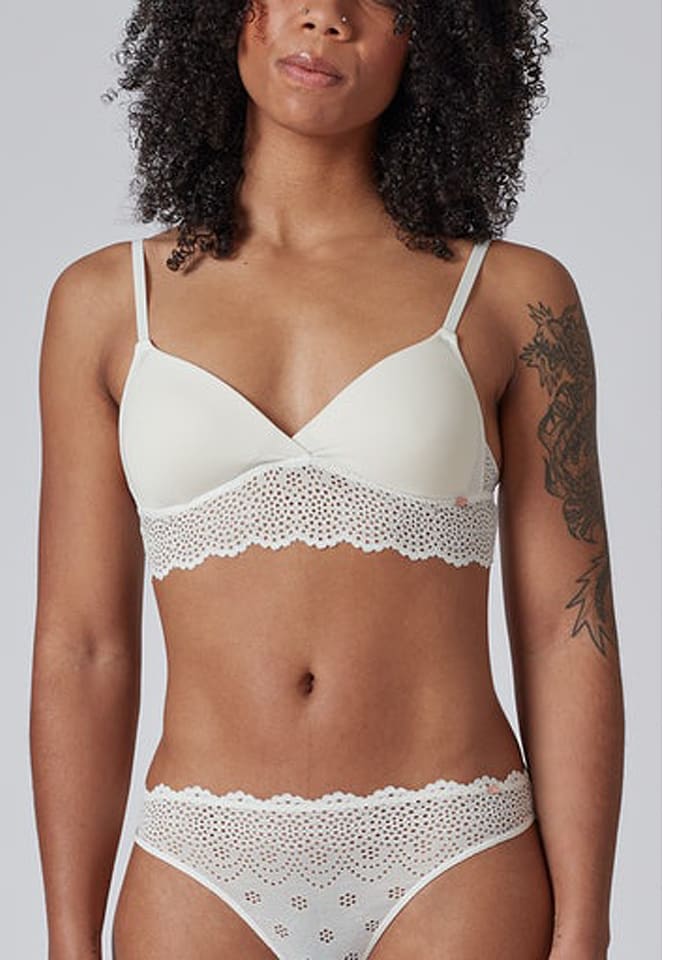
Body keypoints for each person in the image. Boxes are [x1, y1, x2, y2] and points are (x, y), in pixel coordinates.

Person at [30, 2, 625, 959]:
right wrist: (67, 938)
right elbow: (84, 646)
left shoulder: (515, 298)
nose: (326, 17)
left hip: (452, 847)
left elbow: (567, 630)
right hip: (201, 860)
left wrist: (585, 924)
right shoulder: (103, 305)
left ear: (437, 37)